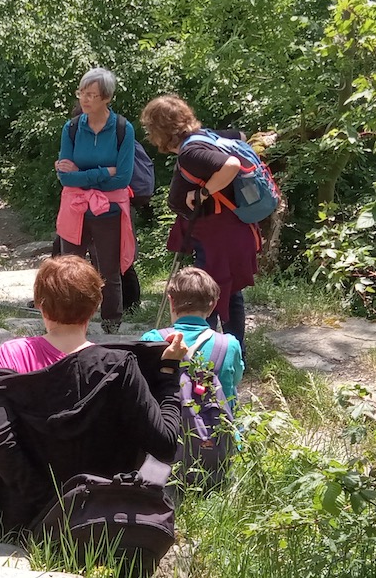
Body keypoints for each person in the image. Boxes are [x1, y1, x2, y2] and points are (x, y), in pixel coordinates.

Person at [0, 255, 186, 537]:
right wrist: (169, 373)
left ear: (40, 304)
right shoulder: (118, 367)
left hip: (29, 520)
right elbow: (165, 444)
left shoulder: (13, 355)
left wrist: (50, 504)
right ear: (95, 306)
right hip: (104, 517)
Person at [140, 94, 258, 352]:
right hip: (230, 228)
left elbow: (232, 164)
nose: (149, 135)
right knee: (230, 290)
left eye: (150, 128)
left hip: (217, 234)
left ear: (161, 129)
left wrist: (203, 192)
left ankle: (203, 355)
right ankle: (233, 354)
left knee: (206, 293)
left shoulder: (191, 152)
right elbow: (241, 136)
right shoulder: (207, 136)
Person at [54, 68, 136, 335]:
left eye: (92, 95)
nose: (85, 99)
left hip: (109, 210)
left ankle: (111, 324)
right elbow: (65, 177)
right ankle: (70, 321)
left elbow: (122, 179)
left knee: (109, 272)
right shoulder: (71, 128)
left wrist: (81, 174)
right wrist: (103, 173)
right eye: (82, 93)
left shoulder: (123, 129)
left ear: (107, 98)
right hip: (75, 208)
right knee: (69, 269)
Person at [141, 267, 244, 411]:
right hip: (218, 424)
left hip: (168, 421)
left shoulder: (152, 339)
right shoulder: (229, 345)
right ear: (213, 305)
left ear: (171, 301)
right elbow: (236, 380)